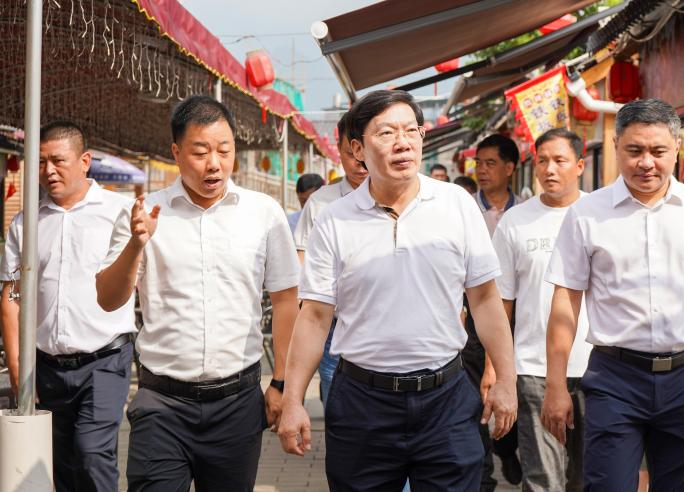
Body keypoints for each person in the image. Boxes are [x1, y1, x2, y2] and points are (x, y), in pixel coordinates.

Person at [278, 90, 517, 490]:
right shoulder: (334, 220)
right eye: (387, 133)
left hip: (446, 400)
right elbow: (315, 317)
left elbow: (485, 300)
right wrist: (292, 401)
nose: (403, 143)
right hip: (362, 403)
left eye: (411, 131)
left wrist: (506, 378)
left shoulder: (456, 204)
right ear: (358, 149)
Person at [541, 99, 684, 491]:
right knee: (607, 484)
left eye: (658, 151)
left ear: (677, 148)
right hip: (614, 378)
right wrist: (555, 384)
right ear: (616, 147)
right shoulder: (586, 214)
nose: (646, 163)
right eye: (635, 150)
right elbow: (566, 301)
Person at [96, 95, 300, 491]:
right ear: (176, 152)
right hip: (162, 404)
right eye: (201, 152)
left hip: (237, 404)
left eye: (224, 150)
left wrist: (281, 384)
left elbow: (286, 301)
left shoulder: (263, 213)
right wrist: (136, 245)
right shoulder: (144, 214)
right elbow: (108, 299)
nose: (214, 164)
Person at [0, 121, 136, 492]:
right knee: (59, 464)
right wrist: (19, 370)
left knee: (92, 453)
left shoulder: (120, 212)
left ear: (84, 161)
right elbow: (11, 297)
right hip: (47, 367)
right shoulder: (26, 223)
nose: (48, 171)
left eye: (58, 160)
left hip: (105, 360)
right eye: (41, 162)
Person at [492, 128, 592, 491]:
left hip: (597, 368)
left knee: (590, 477)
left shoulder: (599, 215)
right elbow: (500, 302)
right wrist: (494, 369)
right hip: (533, 368)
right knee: (542, 479)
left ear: (579, 165)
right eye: (542, 160)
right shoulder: (515, 222)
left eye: (560, 160)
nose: (549, 169)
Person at [293, 111, 367, 406]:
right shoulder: (321, 202)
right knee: (337, 402)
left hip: (379, 323)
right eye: (350, 154)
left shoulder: (396, 196)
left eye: (364, 152)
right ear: (340, 151)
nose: (359, 162)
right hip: (333, 324)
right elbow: (301, 256)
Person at [465, 133, 523, 489]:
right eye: (479, 163)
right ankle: (483, 472)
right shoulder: (465, 210)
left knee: (512, 387)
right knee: (476, 397)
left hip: (518, 317)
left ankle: (506, 446)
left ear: (509, 167)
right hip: (473, 317)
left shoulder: (526, 212)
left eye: (490, 163)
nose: (482, 170)